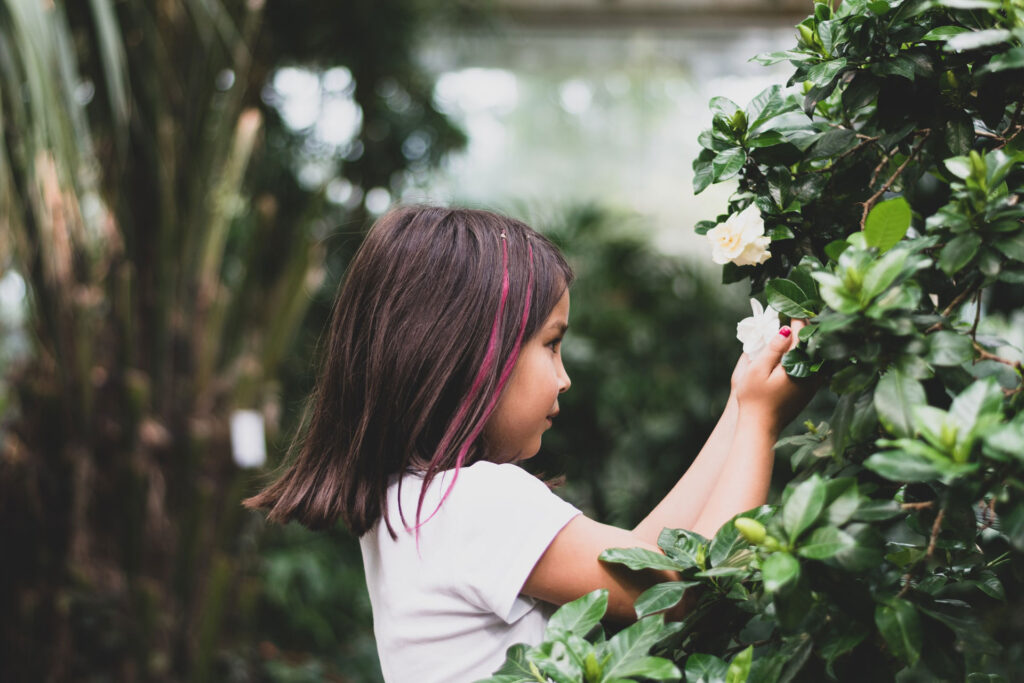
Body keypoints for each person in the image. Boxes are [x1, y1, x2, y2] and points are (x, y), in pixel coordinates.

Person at [244, 205, 816, 683]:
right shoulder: (472, 502)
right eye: (551, 344)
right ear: (469, 356)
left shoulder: (414, 501)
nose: (564, 376)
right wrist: (762, 424)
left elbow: (642, 556)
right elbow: (683, 589)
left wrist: (742, 406)